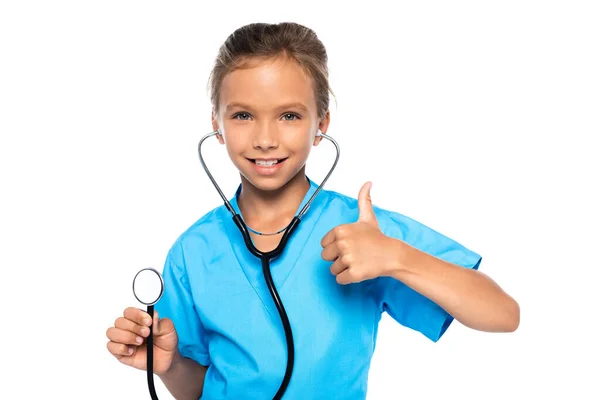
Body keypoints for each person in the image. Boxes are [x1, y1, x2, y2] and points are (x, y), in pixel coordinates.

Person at [106, 22, 520, 399]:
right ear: (217, 123)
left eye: (289, 115)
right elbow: (197, 390)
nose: (265, 139)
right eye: (243, 115)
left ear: (321, 124)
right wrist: (171, 365)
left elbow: (503, 314)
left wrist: (396, 257)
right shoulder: (193, 250)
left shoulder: (361, 232)